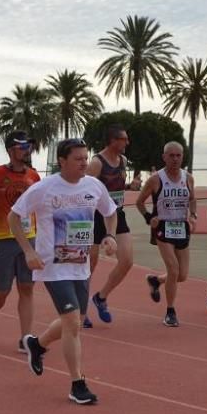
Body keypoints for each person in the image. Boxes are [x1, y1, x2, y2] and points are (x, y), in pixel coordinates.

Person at [10, 138, 118, 405]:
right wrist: (28, 251)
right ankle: (77, 383)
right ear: (62, 161)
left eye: (85, 157)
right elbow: (14, 217)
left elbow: (110, 212)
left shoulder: (94, 186)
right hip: (52, 266)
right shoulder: (44, 188)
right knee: (72, 323)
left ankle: (37, 344)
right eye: (78, 158)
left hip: (80, 265)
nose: (84, 162)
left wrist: (111, 236)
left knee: (76, 320)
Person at [0, 132, 41, 348]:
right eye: (22, 146)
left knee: (27, 288)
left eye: (28, 146)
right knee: (1, 292)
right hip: (2, 240)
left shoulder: (34, 176)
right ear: (11, 149)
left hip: (28, 240)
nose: (26, 150)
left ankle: (26, 339)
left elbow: (39, 209)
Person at [135, 142, 197, 326]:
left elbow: (192, 200)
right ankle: (170, 312)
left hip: (182, 227)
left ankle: (156, 280)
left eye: (179, 155)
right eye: (171, 155)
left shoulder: (188, 178)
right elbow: (139, 202)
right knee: (173, 269)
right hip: (163, 227)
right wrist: (149, 218)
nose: (175, 159)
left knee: (182, 275)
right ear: (164, 157)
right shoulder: (156, 179)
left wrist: (193, 216)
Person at [84, 123, 134, 326]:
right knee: (89, 266)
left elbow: (117, 186)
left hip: (117, 214)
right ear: (113, 141)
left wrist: (131, 186)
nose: (127, 142)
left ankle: (101, 297)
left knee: (127, 261)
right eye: (124, 139)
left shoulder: (122, 160)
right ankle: (80, 309)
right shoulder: (96, 163)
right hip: (95, 218)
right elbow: (84, 190)